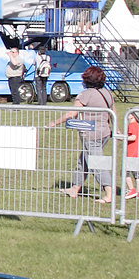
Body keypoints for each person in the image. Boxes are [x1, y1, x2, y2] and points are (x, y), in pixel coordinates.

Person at [48, 66, 115, 205]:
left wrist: (55, 122)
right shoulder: (107, 93)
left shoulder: (85, 94)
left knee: (97, 163)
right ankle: (74, 188)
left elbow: (73, 114)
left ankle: (109, 193)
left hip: (91, 134)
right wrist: (117, 130)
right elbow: (113, 114)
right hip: (105, 133)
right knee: (83, 160)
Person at [125, 113, 139, 201]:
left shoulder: (132, 125)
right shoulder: (136, 125)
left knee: (124, 172)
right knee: (137, 174)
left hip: (132, 153)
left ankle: (132, 190)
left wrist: (123, 137)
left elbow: (133, 137)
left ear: (133, 116)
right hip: (138, 153)